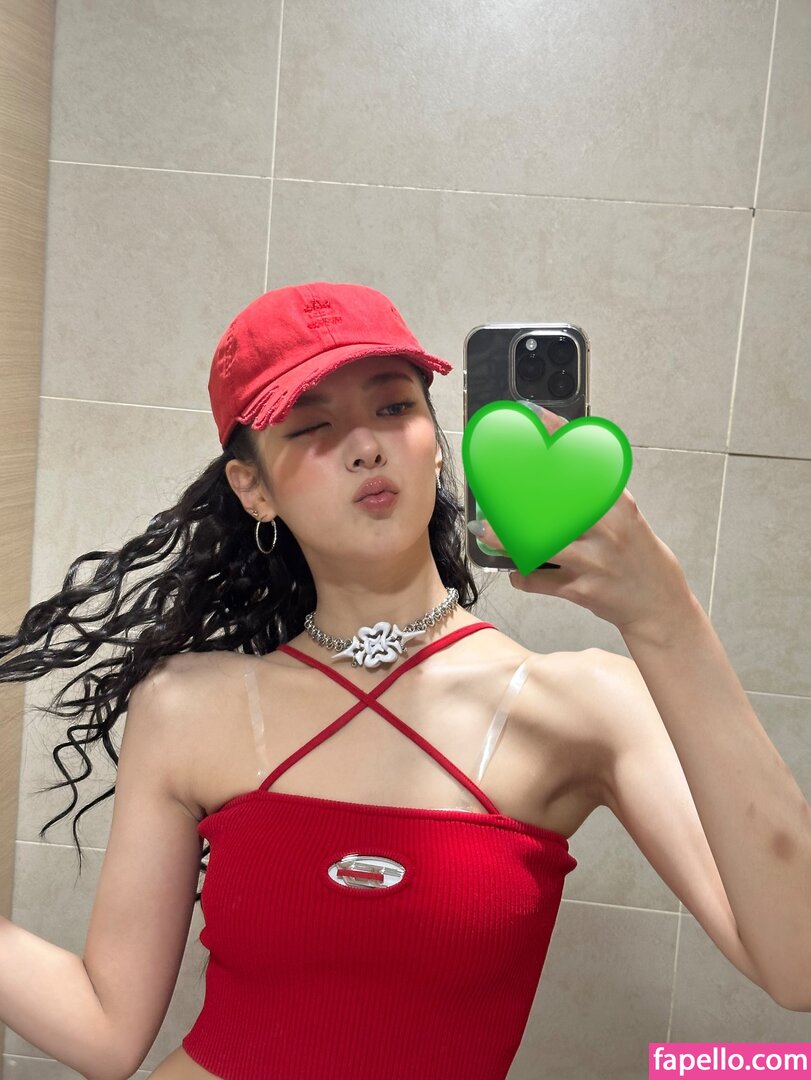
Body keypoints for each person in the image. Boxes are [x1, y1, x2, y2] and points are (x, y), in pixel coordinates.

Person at [1, 282, 804, 1080]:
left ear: (436, 441)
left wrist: (666, 619)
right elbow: (104, 1031)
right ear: (253, 488)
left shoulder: (579, 706)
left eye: (393, 408)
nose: (365, 445)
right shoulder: (185, 705)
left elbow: (796, 965)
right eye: (312, 426)